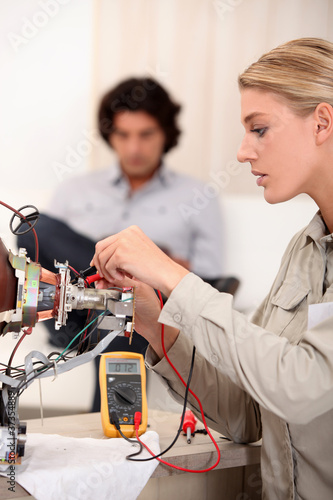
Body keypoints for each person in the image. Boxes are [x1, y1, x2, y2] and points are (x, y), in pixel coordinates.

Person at [91, 38, 333, 499]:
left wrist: (173, 275)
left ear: (322, 122)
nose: (243, 152)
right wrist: (155, 323)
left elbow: (301, 386)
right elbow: (248, 414)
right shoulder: (303, 251)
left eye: (259, 129)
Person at [18, 77, 224, 411]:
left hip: (146, 307)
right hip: (76, 311)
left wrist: (157, 265)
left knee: (120, 313)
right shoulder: (76, 190)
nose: (133, 148)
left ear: (166, 135)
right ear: (109, 135)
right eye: (123, 135)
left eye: (146, 135)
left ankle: (115, 439)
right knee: (33, 227)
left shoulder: (198, 196)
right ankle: (121, 278)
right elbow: (42, 254)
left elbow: (211, 280)